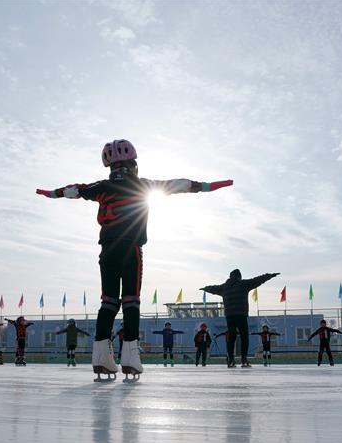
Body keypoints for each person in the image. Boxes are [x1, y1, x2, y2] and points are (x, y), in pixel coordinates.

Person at [36, 139, 233, 382]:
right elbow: (179, 185)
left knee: (108, 301)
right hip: (132, 248)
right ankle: (130, 356)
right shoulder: (143, 185)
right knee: (131, 301)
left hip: (107, 249)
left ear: (110, 166)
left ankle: (100, 355)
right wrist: (209, 185)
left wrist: (49, 193)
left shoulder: (101, 186)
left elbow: (72, 190)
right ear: (134, 164)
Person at [201, 269, 279, 368]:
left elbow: (213, 288)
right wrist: (269, 275)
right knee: (244, 337)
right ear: (239, 276)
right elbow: (257, 280)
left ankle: (230, 359)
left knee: (231, 337)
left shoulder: (224, 287)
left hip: (229, 316)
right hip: (241, 314)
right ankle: (243, 359)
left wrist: (205, 288)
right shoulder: (243, 284)